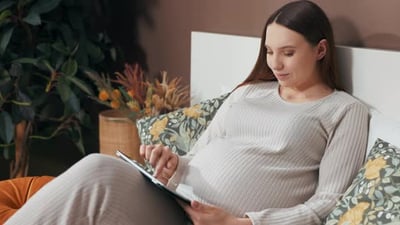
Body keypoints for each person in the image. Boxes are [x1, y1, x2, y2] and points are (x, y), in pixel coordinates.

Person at [5, 1, 369, 225]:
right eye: (269, 51)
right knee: (98, 168)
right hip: (177, 202)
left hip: (224, 223)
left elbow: (328, 203)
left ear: (320, 50)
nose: (275, 63)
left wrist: (244, 223)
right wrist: (173, 164)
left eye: (287, 52)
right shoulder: (249, 93)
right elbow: (198, 155)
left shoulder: (342, 111)